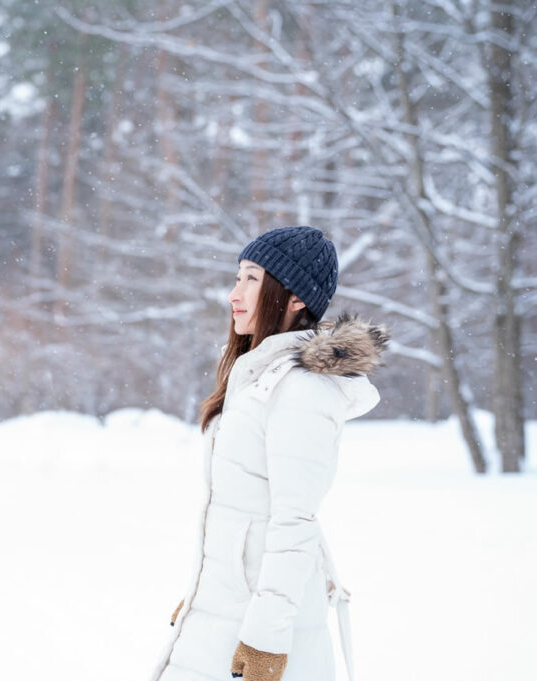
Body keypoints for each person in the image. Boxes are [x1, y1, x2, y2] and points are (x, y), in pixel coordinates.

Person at [150, 226, 389, 681]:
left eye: (251, 279)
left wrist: (266, 640)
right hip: (225, 613)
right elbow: (243, 515)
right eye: (237, 277)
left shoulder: (302, 390)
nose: (233, 293)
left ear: (294, 296)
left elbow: (294, 522)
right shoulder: (257, 378)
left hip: (263, 630)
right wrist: (206, 590)